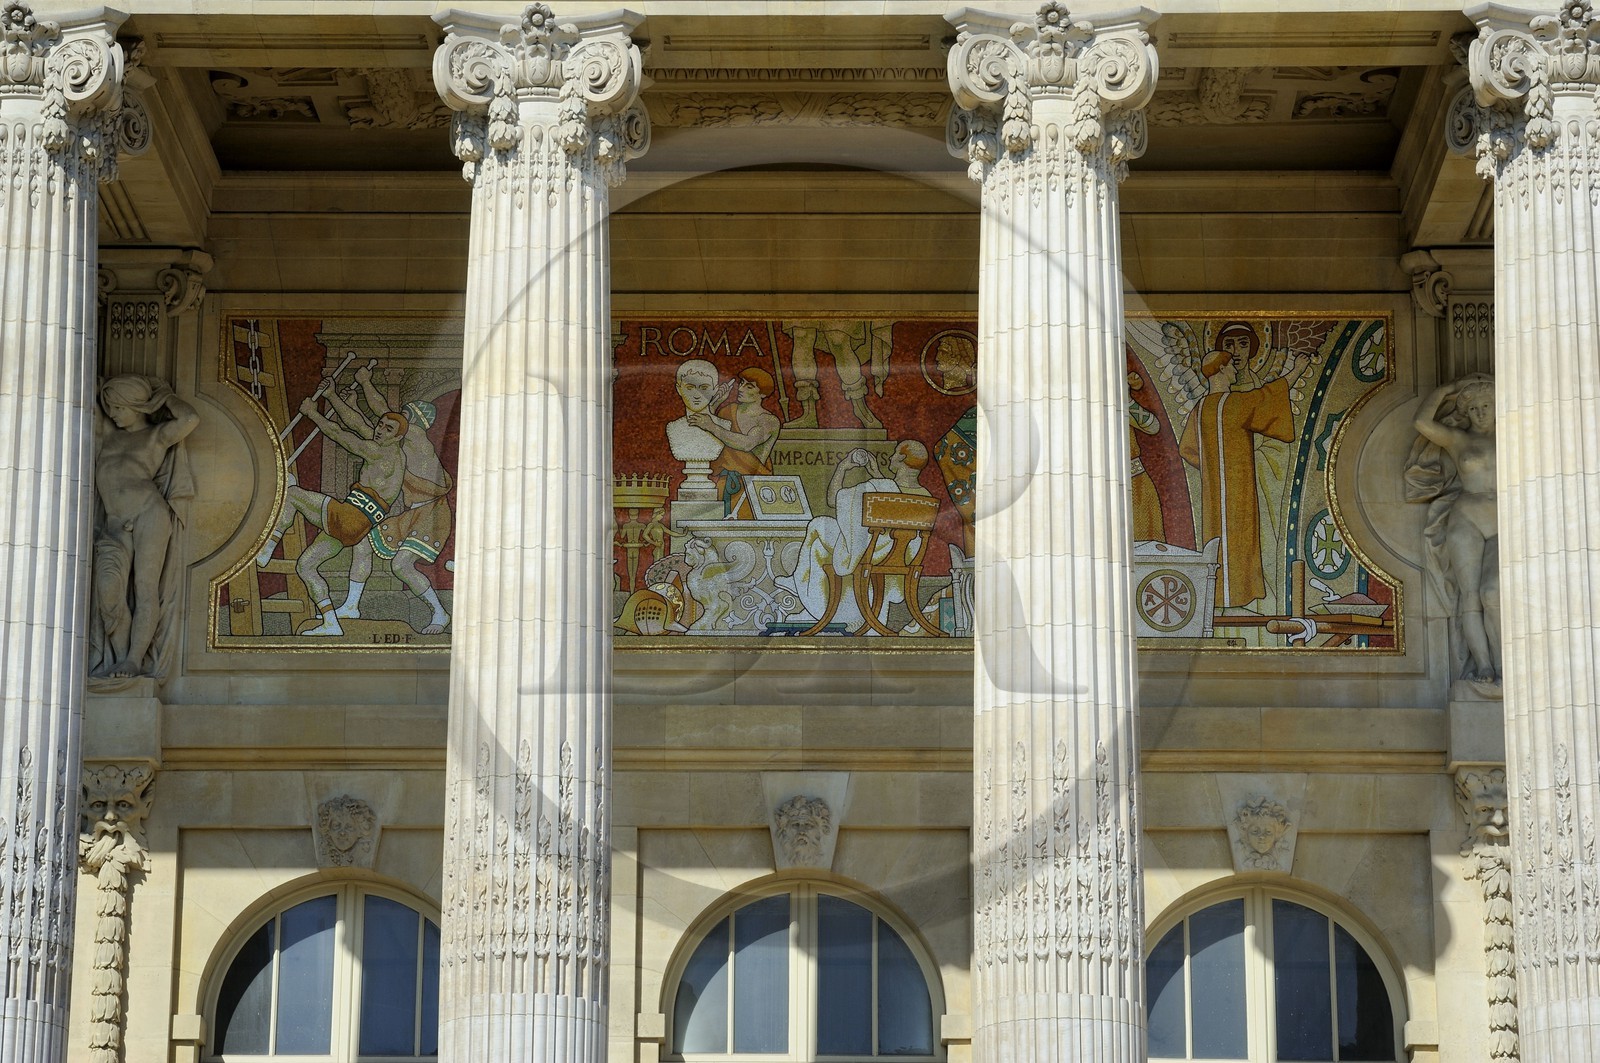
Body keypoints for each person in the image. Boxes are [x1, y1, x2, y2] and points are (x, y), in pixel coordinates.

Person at [255, 399, 408, 636]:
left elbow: (338, 434)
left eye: (388, 429)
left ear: (398, 437)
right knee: (306, 566)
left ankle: (268, 547)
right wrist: (333, 396)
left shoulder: (379, 452)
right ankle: (330, 623)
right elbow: (357, 423)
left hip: (350, 517)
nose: (380, 430)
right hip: (356, 527)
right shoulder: (390, 450)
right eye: (380, 424)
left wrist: (311, 413)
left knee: (291, 491)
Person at [323, 366, 452, 634]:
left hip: (431, 514)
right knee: (363, 543)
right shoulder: (399, 443)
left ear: (413, 422)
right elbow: (364, 424)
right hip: (413, 514)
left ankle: (440, 613)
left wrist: (364, 383)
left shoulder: (415, 437)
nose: (389, 422)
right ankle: (351, 606)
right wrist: (346, 400)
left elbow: (377, 413)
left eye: (402, 417)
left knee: (401, 565)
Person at [1179, 348, 1310, 611]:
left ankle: (1218, 597)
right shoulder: (1234, 404)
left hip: (1213, 493)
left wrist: (1212, 469)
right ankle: (1238, 597)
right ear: (1221, 369)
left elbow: (1186, 449)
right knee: (1240, 538)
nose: (1235, 370)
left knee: (1216, 539)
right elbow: (1267, 398)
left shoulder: (1200, 409)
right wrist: (1296, 370)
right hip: (1238, 489)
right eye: (1230, 366)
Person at [90, 376, 200, 679]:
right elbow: (84, 397)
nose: (112, 412)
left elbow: (190, 418)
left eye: (118, 407)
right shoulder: (108, 433)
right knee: (109, 592)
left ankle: (132, 660)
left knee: (145, 588)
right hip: (114, 524)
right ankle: (119, 656)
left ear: (136, 406)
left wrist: (163, 396)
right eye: (109, 406)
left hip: (149, 513)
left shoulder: (156, 437)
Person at [779, 441, 932, 632]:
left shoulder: (880, 486)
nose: (891, 457)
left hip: (872, 555)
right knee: (819, 548)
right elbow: (891, 494)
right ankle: (820, 611)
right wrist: (876, 472)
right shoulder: (925, 496)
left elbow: (833, 499)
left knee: (818, 525)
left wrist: (843, 467)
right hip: (902, 559)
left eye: (894, 453)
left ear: (901, 458)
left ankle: (801, 587)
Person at [1408, 375, 1499, 686]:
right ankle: (1485, 665)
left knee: (1493, 592)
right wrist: (1445, 390)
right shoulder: (1460, 440)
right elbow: (1422, 422)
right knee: (1471, 595)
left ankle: (1505, 660)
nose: (1481, 413)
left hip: (1505, 522)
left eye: (1487, 406)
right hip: (1466, 519)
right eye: (1474, 408)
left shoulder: (1517, 435)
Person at [687, 366, 781, 517]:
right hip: (724, 483)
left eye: (749, 386)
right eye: (742, 383)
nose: (741, 388)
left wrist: (711, 426)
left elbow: (747, 444)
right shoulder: (728, 410)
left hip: (752, 488)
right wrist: (715, 404)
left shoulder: (768, 420)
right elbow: (709, 437)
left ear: (762, 393)